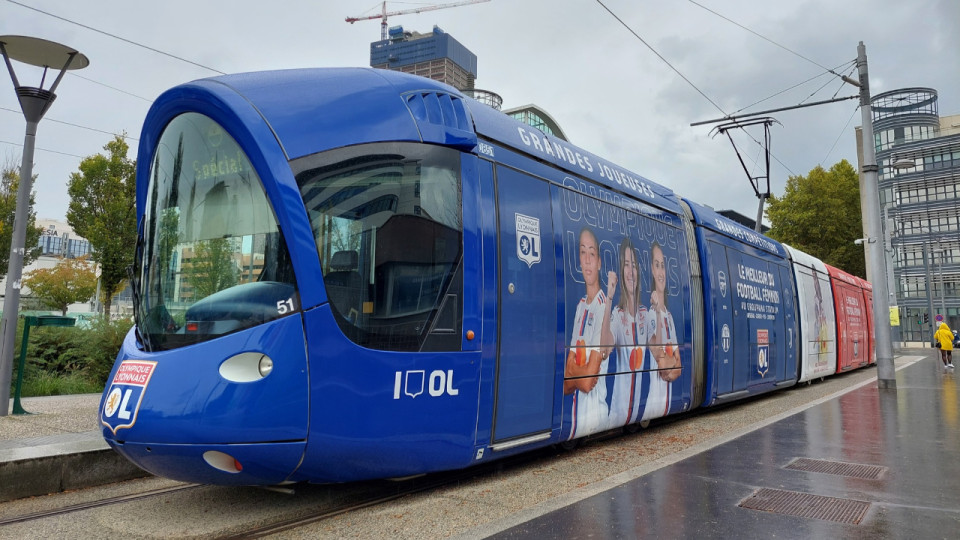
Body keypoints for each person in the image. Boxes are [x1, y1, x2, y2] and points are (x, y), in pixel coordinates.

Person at [564, 227, 614, 439]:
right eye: (582, 253)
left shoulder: (604, 306)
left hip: (596, 416)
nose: (586, 260)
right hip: (578, 418)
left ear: (599, 262)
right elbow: (566, 383)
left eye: (592, 253)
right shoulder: (581, 306)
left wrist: (576, 373)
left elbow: (586, 381)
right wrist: (577, 374)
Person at [609, 238, 648, 427]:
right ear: (621, 271)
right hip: (618, 411)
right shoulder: (617, 314)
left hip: (639, 407)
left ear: (638, 271)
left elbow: (660, 351)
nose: (630, 271)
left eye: (633, 265)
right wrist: (609, 298)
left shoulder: (645, 314)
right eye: (626, 265)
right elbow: (605, 348)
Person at [644, 241, 681, 421]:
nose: (661, 272)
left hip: (666, 402)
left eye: (663, 266)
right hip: (655, 401)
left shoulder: (670, 317)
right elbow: (662, 364)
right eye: (657, 265)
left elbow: (677, 368)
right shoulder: (650, 315)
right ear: (652, 270)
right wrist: (670, 361)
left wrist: (671, 363)